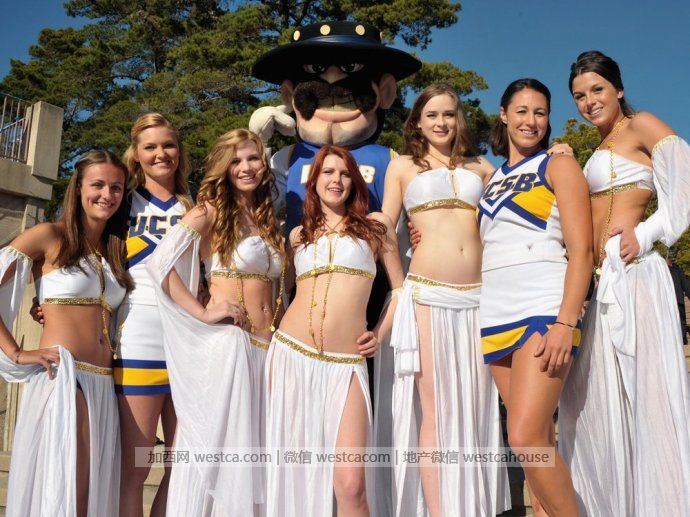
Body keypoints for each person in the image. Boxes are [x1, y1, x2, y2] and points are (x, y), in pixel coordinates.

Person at [559, 50, 690, 516]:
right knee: (595, 402)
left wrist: (648, 232)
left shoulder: (641, 125)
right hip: (600, 287)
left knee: (647, 396)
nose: (589, 101)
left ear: (618, 89)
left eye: (597, 89)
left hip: (636, 278)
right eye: (579, 96)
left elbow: (685, 179)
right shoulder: (594, 150)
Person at [380, 83, 510, 516]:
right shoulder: (402, 167)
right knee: (434, 409)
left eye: (449, 114)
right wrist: (399, 282)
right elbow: (384, 228)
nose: (441, 123)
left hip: (480, 299)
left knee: (476, 404)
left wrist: (558, 151)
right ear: (417, 122)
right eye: (432, 115)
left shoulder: (482, 167)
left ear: (459, 119)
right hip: (427, 294)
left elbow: (516, 208)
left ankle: (474, 506)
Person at [146, 128, 285, 515]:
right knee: (224, 458)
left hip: (267, 351)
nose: (246, 167)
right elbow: (160, 264)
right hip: (231, 346)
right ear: (223, 167)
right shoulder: (209, 211)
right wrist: (204, 312)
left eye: (253, 158)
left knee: (255, 458)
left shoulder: (266, 217)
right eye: (236, 160)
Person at [265, 144, 403, 517]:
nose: (336, 180)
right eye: (327, 172)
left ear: (355, 181)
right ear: (314, 180)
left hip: (347, 364)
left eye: (344, 173)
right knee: (293, 473)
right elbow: (281, 291)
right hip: (291, 356)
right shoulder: (298, 235)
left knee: (351, 485)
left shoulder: (376, 227)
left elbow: (400, 290)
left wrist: (379, 332)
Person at [478, 78, 593, 516]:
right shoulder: (491, 178)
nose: (531, 121)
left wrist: (565, 321)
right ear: (503, 114)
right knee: (537, 444)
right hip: (495, 312)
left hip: (542, 307)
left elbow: (582, 252)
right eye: (522, 111)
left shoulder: (559, 164)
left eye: (540, 113)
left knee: (525, 436)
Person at [0, 150, 133, 516]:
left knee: (91, 493)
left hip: (104, 382)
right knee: (69, 489)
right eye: (98, 185)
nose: (107, 194)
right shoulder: (49, 236)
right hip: (64, 377)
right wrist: (16, 352)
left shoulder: (114, 249)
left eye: (116, 187)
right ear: (78, 188)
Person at [115, 112, 193, 517]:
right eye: (150, 147)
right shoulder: (120, 203)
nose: (161, 154)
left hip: (188, 344)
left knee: (183, 465)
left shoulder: (194, 205)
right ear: (136, 154)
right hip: (139, 340)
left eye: (168, 145)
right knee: (137, 466)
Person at [666, 253, 690, 345]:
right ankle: (682, 338)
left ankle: (681, 338)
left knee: (677, 322)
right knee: (680, 322)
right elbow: (686, 285)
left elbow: (686, 285)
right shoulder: (677, 270)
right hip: (676, 300)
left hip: (671, 301)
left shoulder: (660, 272)